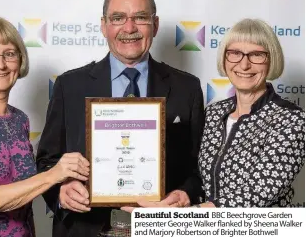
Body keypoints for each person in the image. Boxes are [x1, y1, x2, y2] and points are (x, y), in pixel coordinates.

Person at [36, 0, 205, 237]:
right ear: (104, 25)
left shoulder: (187, 87)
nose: (129, 28)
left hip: (159, 228)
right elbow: (47, 161)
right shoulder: (69, 85)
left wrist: (186, 194)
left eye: (140, 17)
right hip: (85, 228)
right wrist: (60, 191)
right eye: (118, 18)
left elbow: (199, 167)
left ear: (155, 25)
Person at [128, 18, 305, 209]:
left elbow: (257, 194)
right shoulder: (214, 113)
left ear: (271, 60)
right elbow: (202, 177)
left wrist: (176, 217)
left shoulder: (291, 120)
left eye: (256, 55)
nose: (244, 65)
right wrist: (184, 194)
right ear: (224, 58)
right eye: (235, 53)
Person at [0, 17, 90, 236]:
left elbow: (25, 202)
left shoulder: (19, 120)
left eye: (9, 54)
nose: (0, 64)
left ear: (20, 61)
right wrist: (55, 174)